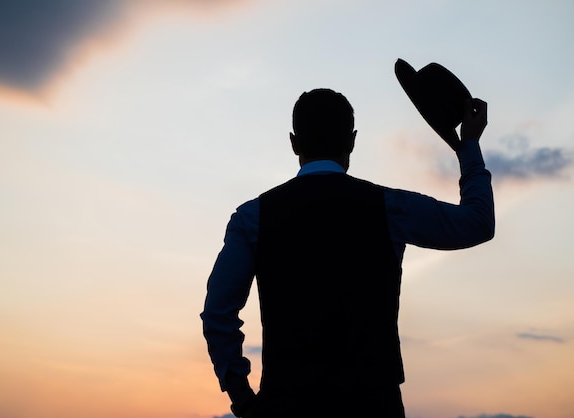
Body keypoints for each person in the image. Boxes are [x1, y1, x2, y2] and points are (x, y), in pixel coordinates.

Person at [201, 88, 494, 417]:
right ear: (352, 140)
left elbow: (218, 314)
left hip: (286, 403)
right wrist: (468, 145)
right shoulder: (390, 207)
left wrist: (242, 397)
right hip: (372, 404)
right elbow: (478, 223)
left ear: (294, 142)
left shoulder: (253, 218)